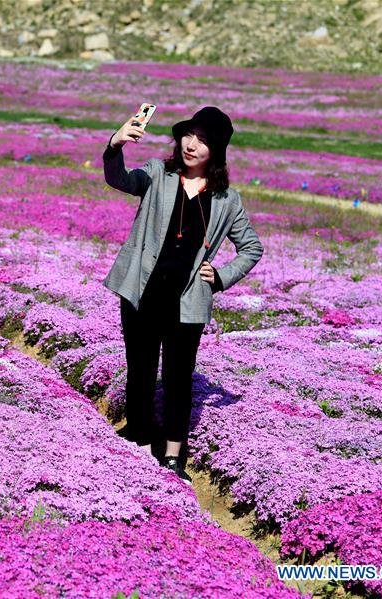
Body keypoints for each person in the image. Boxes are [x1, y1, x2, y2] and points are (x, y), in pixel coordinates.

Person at [101, 106, 263, 485]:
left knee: (178, 379)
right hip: (141, 292)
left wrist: (221, 277)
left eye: (203, 140)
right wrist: (115, 144)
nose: (191, 145)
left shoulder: (227, 200)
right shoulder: (159, 174)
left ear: (217, 150)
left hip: (186, 303)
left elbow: (252, 248)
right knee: (140, 372)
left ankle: (174, 456)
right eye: (188, 135)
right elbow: (120, 179)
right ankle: (139, 438)